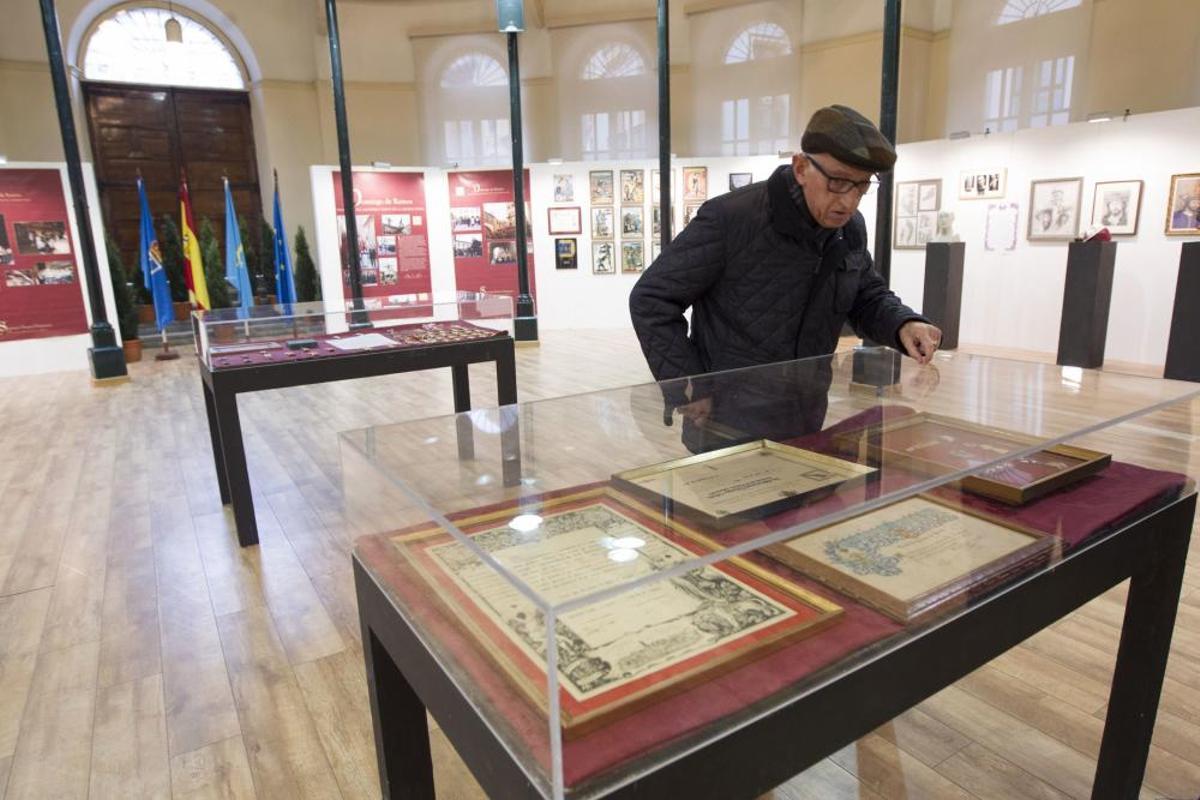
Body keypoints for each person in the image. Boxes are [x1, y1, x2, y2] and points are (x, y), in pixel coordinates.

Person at [629, 105, 941, 443]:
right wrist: (689, 386)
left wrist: (903, 324)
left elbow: (865, 294)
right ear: (801, 167)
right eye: (837, 182)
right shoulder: (731, 219)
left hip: (803, 415)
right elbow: (652, 298)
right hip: (725, 422)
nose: (849, 202)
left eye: (861, 187)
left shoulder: (849, 228)